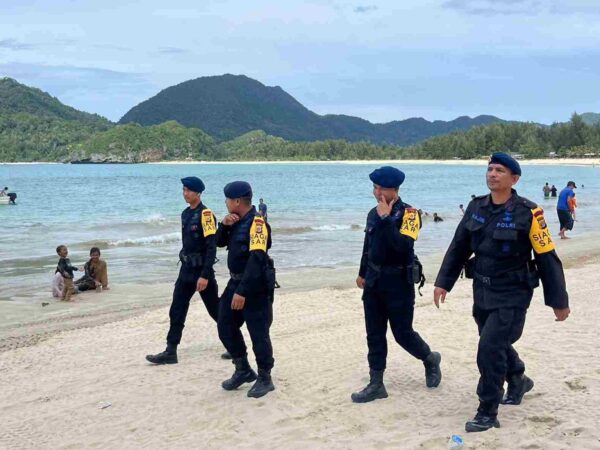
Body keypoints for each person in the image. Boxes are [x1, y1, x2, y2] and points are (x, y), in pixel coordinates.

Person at [433, 152, 570, 433]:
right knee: (493, 343)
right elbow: (459, 247)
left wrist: (558, 301)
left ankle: (487, 411)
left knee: (489, 348)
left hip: (513, 292)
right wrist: (443, 282)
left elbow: (547, 257)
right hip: (482, 290)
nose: (492, 174)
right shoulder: (476, 207)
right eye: (490, 169)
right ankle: (518, 377)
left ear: (514, 178)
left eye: (499, 171)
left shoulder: (530, 213)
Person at [352, 166, 441, 404]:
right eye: (375, 187)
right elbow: (368, 246)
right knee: (374, 333)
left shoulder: (411, 214)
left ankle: (430, 358)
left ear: (395, 190)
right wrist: (361, 273)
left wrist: (385, 219)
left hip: (399, 282)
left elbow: (401, 246)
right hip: (374, 281)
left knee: (402, 333)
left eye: (382, 188)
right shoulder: (373, 213)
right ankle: (376, 383)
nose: (377, 192)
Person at [146, 177, 222, 365]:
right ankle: (171, 351)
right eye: (183, 190)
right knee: (177, 309)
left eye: (188, 190)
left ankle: (233, 343)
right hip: (186, 270)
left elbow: (211, 247)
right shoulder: (185, 214)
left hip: (201, 272)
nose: (185, 193)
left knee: (216, 311)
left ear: (198, 193)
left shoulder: (206, 215)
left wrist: (205, 275)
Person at [216, 181, 276, 398]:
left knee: (258, 332)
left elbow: (257, 259)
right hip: (235, 282)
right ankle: (243, 369)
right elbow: (218, 242)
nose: (225, 203)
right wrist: (224, 225)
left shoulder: (257, 224)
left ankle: (265, 377)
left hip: (254, 285)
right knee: (224, 324)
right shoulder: (235, 221)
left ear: (238, 201)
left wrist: (242, 291)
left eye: (228, 200)